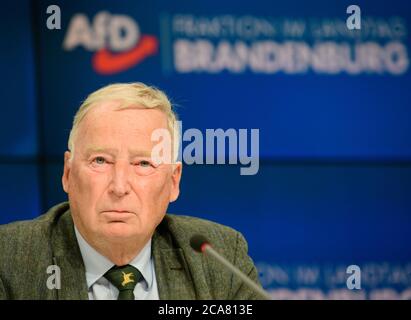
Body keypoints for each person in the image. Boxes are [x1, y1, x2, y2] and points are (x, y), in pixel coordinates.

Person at [0, 82, 262, 300]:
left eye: (143, 164)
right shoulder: (9, 260)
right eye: (100, 161)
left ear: (173, 181)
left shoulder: (220, 258)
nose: (119, 186)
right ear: (68, 174)